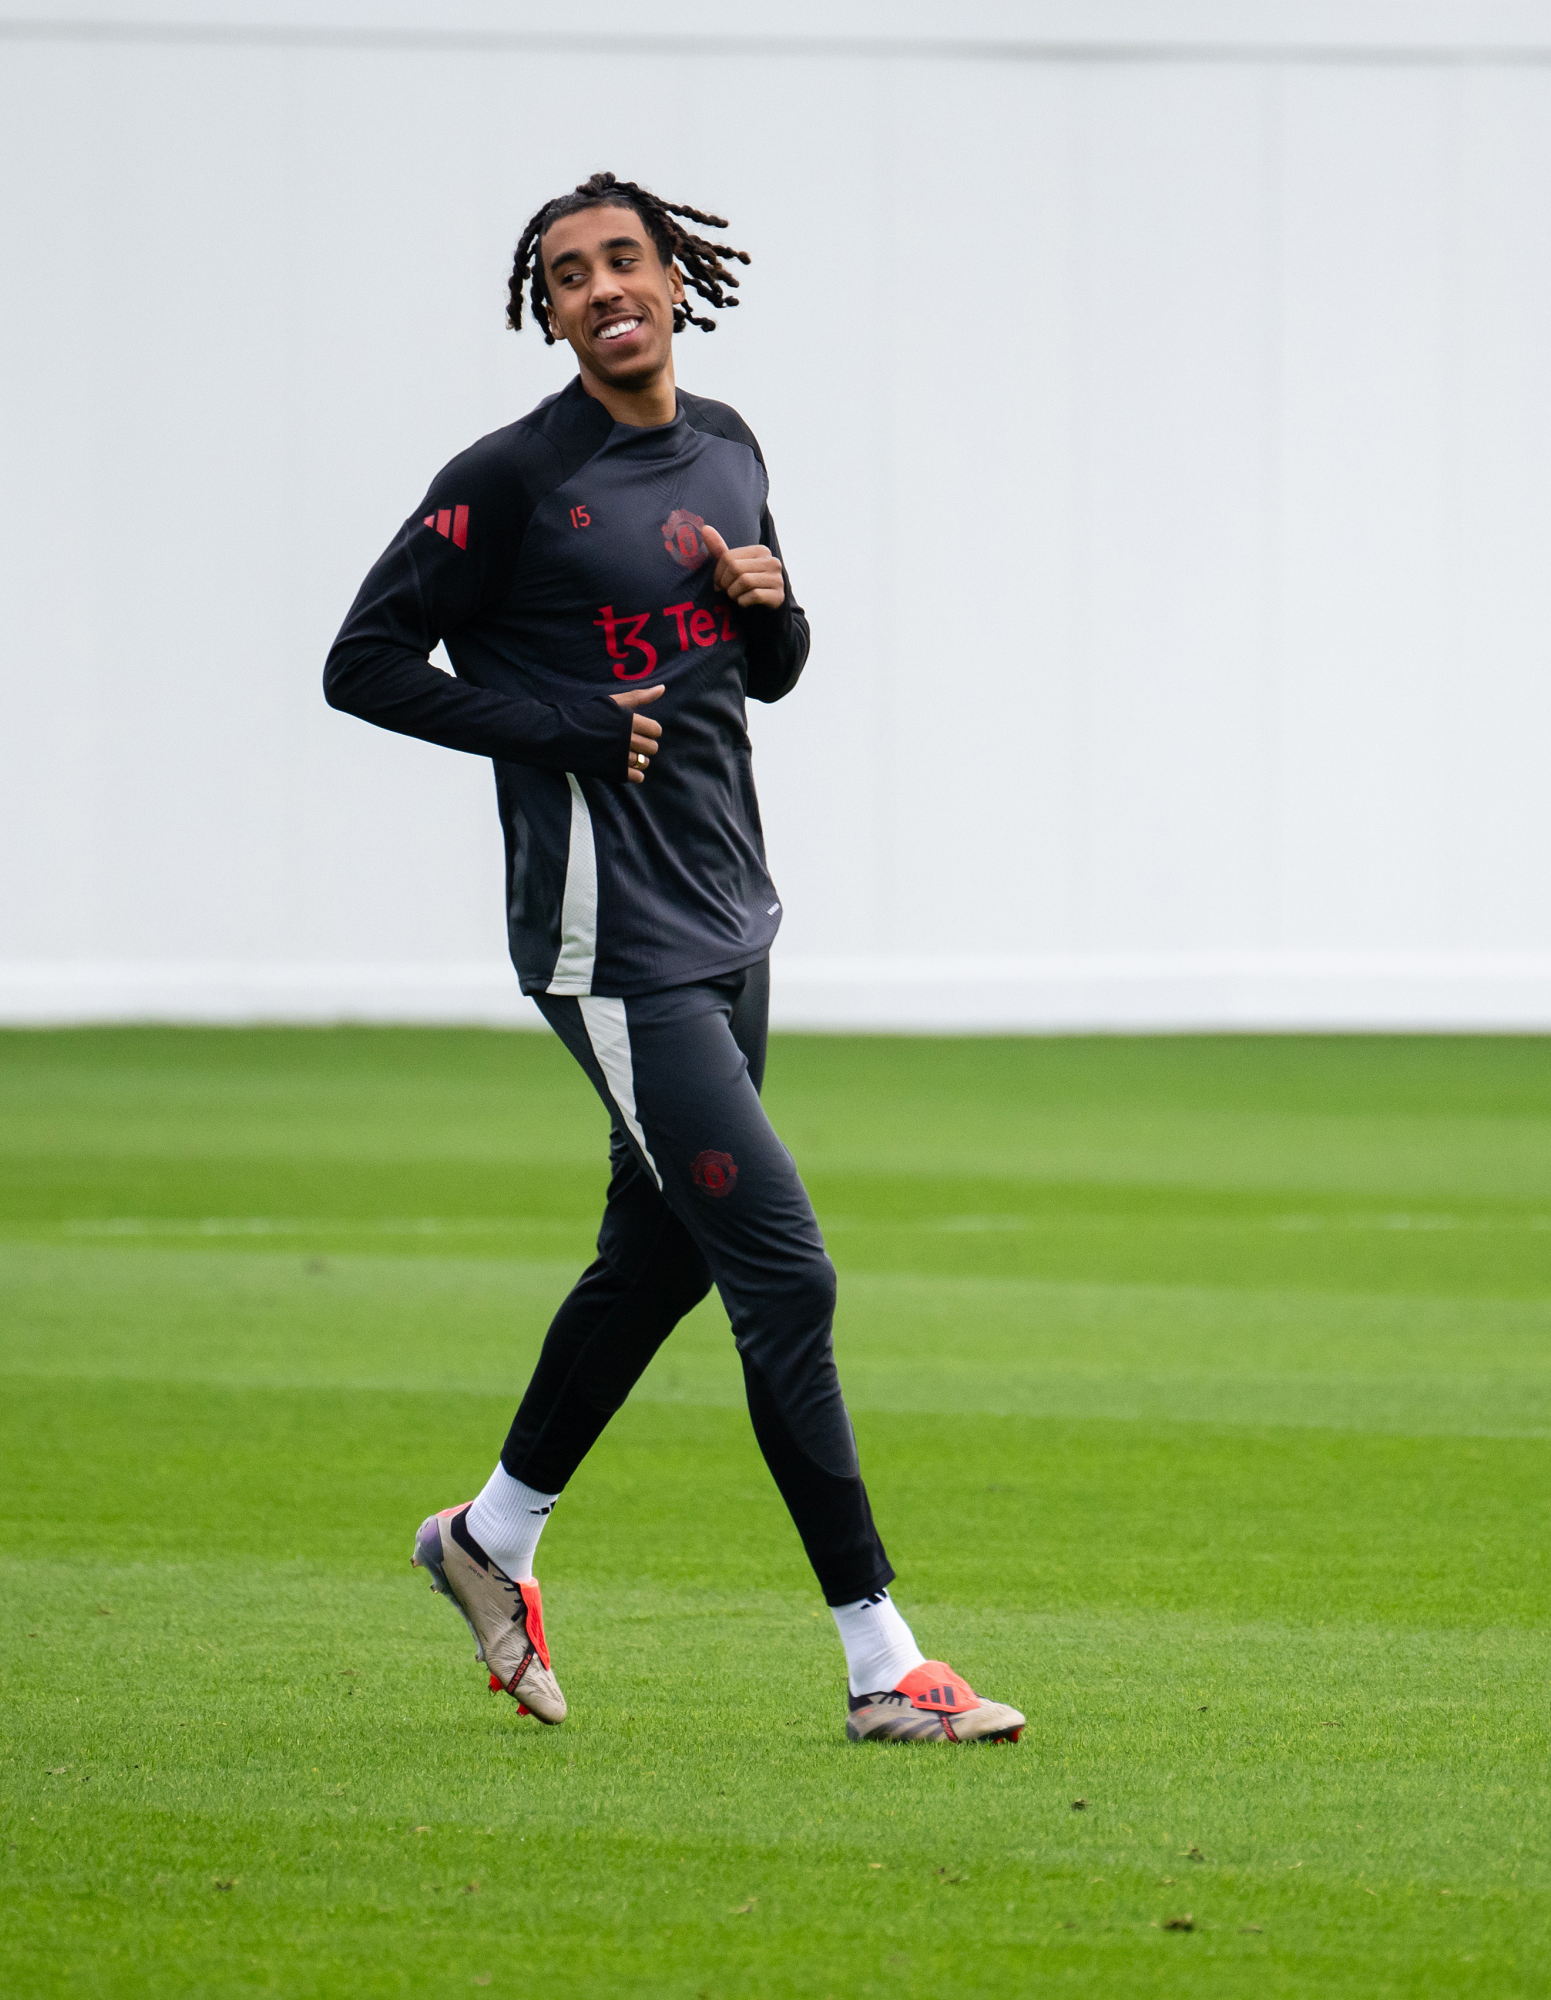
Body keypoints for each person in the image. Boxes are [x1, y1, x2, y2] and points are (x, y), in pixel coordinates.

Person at [324, 172, 1022, 1745]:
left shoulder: (729, 445)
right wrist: (559, 723)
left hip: (730, 918)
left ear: (673, 281)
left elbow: (761, 672)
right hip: (613, 942)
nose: (601, 287)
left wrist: (773, 612)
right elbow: (358, 664)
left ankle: (489, 1541)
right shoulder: (509, 481)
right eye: (568, 274)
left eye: (622, 259)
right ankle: (879, 1665)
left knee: (658, 1261)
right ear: (550, 310)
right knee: (783, 1269)